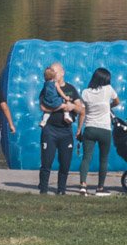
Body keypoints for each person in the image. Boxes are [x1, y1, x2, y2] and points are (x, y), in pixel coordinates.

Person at [38, 61, 83, 195]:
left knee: (65, 163)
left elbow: (81, 109)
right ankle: (43, 190)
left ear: (62, 72)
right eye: (51, 71)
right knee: (47, 161)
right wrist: (61, 107)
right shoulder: (47, 87)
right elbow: (43, 107)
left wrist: (73, 107)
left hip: (65, 131)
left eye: (55, 71)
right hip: (50, 130)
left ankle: (61, 190)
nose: (53, 74)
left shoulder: (71, 89)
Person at [78, 67, 120, 196]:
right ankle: (100, 188)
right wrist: (108, 107)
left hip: (89, 128)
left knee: (86, 158)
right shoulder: (108, 89)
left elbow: (83, 112)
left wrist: (79, 129)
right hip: (104, 130)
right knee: (103, 159)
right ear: (105, 79)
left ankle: (83, 186)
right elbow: (117, 102)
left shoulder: (85, 92)